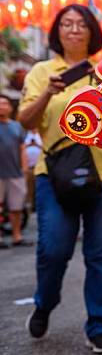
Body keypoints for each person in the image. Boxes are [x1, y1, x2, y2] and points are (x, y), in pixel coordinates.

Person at [17, 4, 102, 352]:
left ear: (92, 30)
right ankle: (44, 303)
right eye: (66, 24)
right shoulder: (41, 72)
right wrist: (48, 90)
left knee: (100, 253)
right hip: (55, 173)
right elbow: (26, 121)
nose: (74, 29)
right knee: (54, 248)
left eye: (81, 24)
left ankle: (98, 327)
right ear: (56, 31)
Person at [0, 94, 31, 248]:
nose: (2, 106)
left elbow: (22, 148)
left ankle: (16, 236)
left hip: (15, 173)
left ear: (10, 108)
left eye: (5, 103)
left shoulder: (17, 126)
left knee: (17, 207)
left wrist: (24, 169)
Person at [24, 128, 42, 215]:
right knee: (29, 189)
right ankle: (29, 209)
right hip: (29, 167)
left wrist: (36, 144)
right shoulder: (26, 135)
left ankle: (39, 208)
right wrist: (30, 144)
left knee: (39, 189)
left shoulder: (41, 135)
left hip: (39, 167)